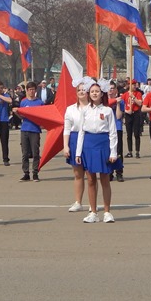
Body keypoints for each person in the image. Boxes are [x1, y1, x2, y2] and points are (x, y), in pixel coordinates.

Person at [75, 79, 119, 223]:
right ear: (89, 93)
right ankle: (93, 212)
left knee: (105, 179)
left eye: (97, 91)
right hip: (88, 145)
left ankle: (107, 212)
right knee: (91, 180)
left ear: (102, 94)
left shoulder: (107, 110)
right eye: (92, 91)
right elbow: (81, 131)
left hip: (103, 144)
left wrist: (113, 152)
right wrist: (78, 152)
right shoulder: (85, 110)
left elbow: (113, 132)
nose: (94, 94)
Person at [63, 79, 90, 212]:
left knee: (91, 174)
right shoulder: (70, 109)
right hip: (74, 138)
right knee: (78, 173)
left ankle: (93, 203)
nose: (81, 92)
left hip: (89, 139)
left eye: (84, 90)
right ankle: (78, 202)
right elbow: (67, 129)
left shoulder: (93, 108)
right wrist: (66, 145)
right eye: (79, 90)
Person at [18, 82, 43, 182]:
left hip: (35, 130)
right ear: (27, 91)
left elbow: (42, 116)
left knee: (35, 152)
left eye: (33, 89)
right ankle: (26, 173)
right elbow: (21, 117)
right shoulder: (23, 102)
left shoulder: (39, 103)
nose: (31, 91)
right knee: (25, 153)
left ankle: (35, 173)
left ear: (35, 90)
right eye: (30, 90)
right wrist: (17, 113)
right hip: (24, 129)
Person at [121, 80, 144, 158]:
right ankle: (130, 151)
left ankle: (137, 151)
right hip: (128, 115)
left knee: (137, 134)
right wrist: (126, 111)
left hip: (136, 114)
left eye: (135, 84)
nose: (134, 86)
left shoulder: (138, 93)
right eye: (132, 84)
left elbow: (140, 103)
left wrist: (133, 97)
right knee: (129, 134)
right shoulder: (125, 95)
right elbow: (122, 105)